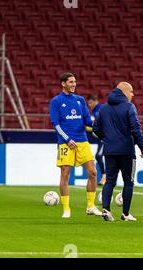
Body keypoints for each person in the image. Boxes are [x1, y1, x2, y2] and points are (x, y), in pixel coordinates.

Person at [49, 72, 101, 218]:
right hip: (66, 143)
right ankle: (66, 209)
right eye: (71, 82)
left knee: (93, 172)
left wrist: (97, 125)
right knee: (65, 173)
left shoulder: (80, 100)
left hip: (82, 140)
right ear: (63, 83)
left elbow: (87, 120)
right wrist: (67, 139)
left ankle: (90, 206)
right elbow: (56, 124)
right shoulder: (56, 101)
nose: (74, 84)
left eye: (75, 82)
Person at [93, 82, 143, 222]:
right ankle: (125, 214)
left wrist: (107, 138)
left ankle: (106, 209)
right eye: (131, 91)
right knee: (128, 182)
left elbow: (96, 129)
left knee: (109, 181)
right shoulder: (129, 107)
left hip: (109, 150)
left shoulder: (104, 108)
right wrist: (142, 146)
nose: (133, 94)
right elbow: (136, 127)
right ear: (124, 92)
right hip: (127, 151)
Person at [87, 94, 106, 186]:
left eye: (90, 103)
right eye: (88, 103)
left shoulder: (100, 109)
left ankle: (105, 176)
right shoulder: (94, 111)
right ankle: (105, 176)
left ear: (95, 101)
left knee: (99, 156)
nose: (89, 105)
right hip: (101, 138)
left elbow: (97, 123)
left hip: (105, 137)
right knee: (100, 156)